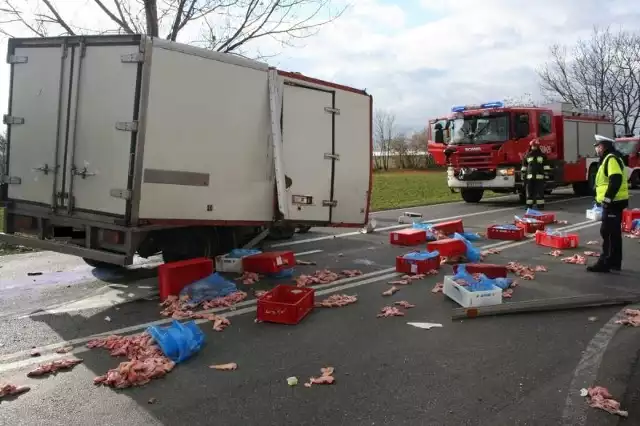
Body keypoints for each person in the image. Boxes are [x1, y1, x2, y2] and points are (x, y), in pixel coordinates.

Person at [587, 134, 629, 273]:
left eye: (598, 146)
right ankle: (615, 262)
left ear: (603, 146)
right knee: (614, 233)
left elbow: (615, 179)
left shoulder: (610, 159)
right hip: (617, 201)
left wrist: (607, 199)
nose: (597, 149)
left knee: (608, 232)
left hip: (613, 202)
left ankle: (605, 262)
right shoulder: (612, 158)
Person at [521, 139, 551, 209]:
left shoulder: (542, 156)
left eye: (535, 146)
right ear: (530, 146)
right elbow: (524, 167)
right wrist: (523, 176)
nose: (534, 147)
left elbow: (546, 166)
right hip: (529, 178)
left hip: (539, 178)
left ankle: (540, 206)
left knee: (540, 193)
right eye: (533, 146)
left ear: (538, 146)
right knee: (529, 194)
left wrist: (546, 176)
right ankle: (529, 206)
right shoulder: (527, 155)